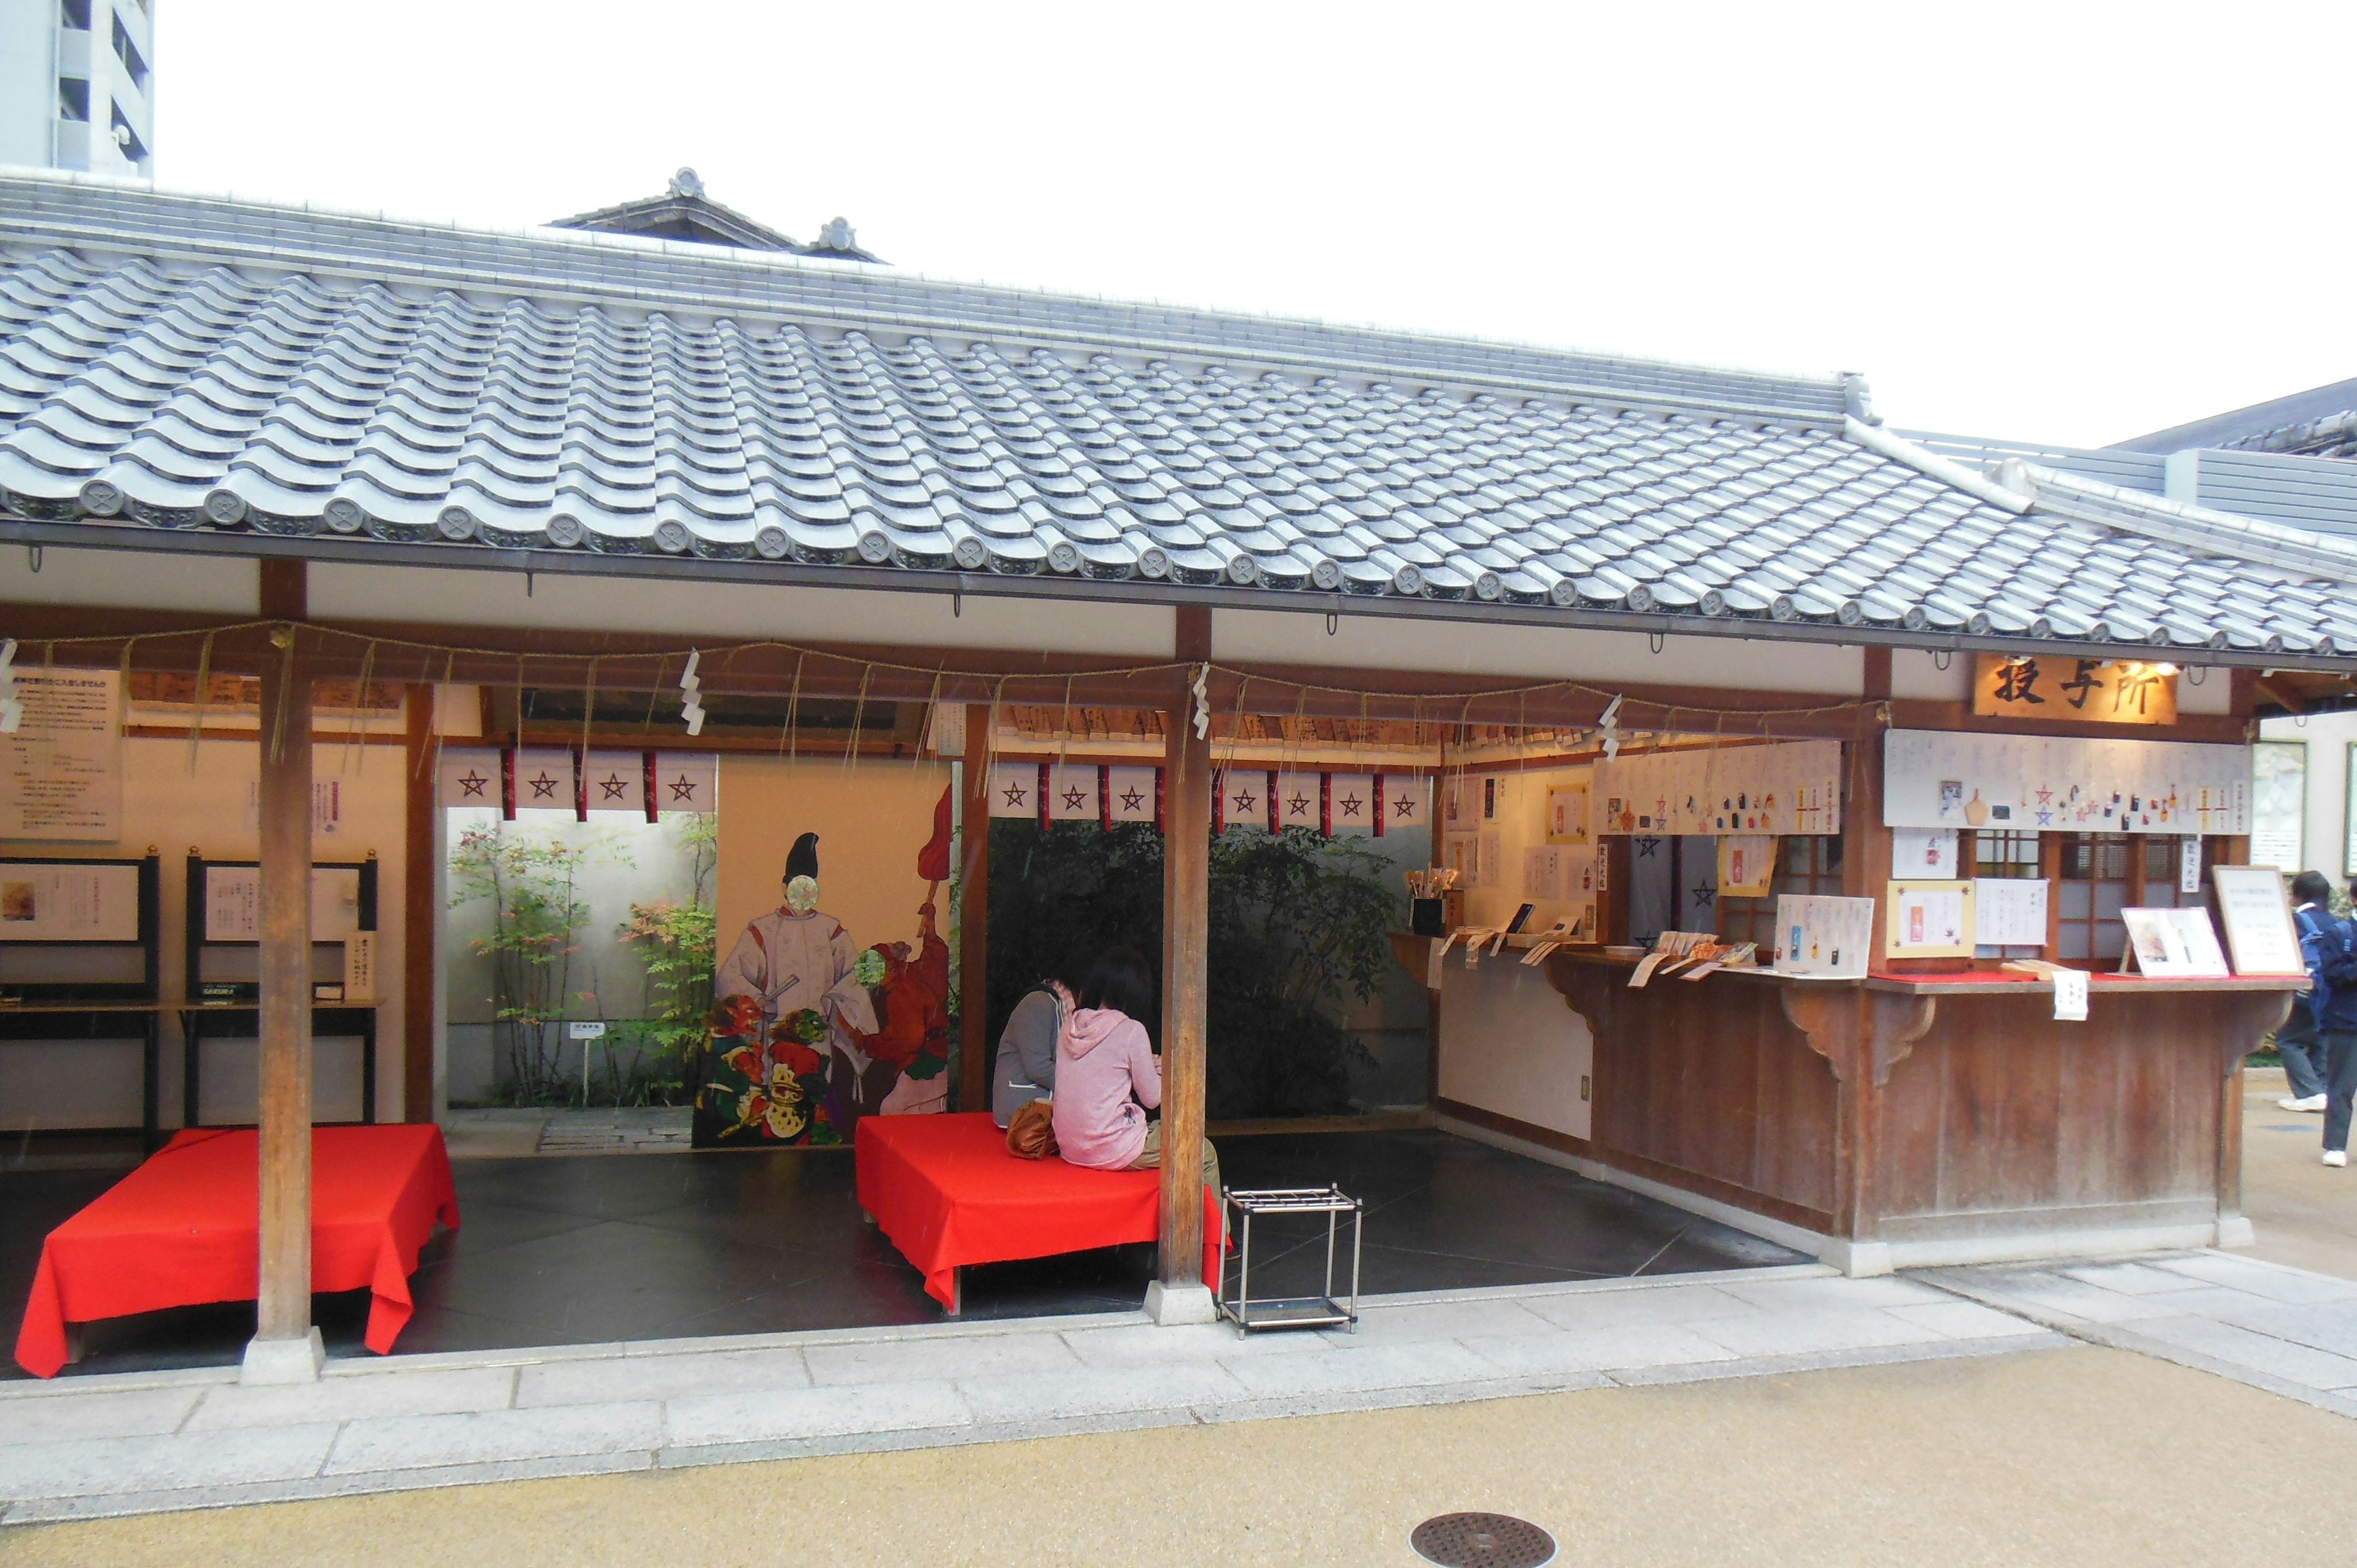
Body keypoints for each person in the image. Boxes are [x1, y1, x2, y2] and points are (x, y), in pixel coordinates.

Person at [1050, 946, 1221, 1194]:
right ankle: (1214, 1233)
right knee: (1203, 1151)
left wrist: (1145, 1063)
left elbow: (1101, 1067)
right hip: (1109, 1147)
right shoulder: (1131, 1030)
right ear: (1138, 992)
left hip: (1071, 1147)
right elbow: (1152, 1098)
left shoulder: (1071, 1025)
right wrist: (1168, 1072)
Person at [2290, 873, 2357, 1167]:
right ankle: (2335, 1146)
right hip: (2347, 1020)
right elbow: (2333, 973)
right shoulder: (2340, 932)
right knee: (2342, 1086)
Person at [2280, 872, 2337, 1111]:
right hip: (2333, 989)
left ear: (2297, 896)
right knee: (2320, 1038)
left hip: (2307, 989)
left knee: (2288, 1040)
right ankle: (2322, 1090)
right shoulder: (2334, 921)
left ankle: (2310, 1093)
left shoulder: (2298, 920)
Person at [991, 969, 1073, 1129]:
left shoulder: (1058, 1004)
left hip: (1040, 1107)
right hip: (1022, 1112)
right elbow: (1039, 1069)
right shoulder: (1037, 1004)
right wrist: (1083, 1090)